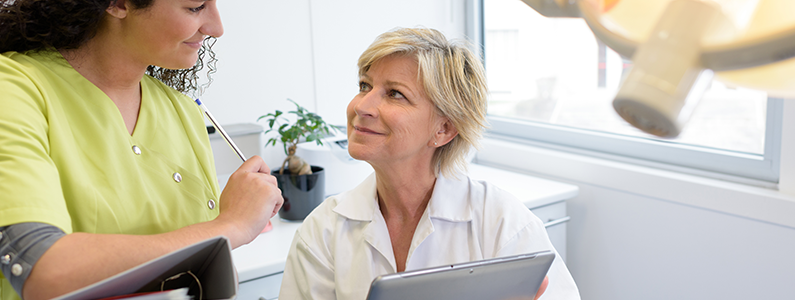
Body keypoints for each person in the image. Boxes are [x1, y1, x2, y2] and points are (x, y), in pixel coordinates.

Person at [0, 1, 283, 299]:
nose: (216, 28)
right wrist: (232, 225)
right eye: (196, 7)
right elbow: (44, 271)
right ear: (118, 3)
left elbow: (207, 278)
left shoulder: (183, 111)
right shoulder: (14, 89)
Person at [279, 27, 580, 300]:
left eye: (395, 94)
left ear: (444, 129)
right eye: (364, 86)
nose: (362, 106)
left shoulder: (503, 223)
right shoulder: (323, 231)